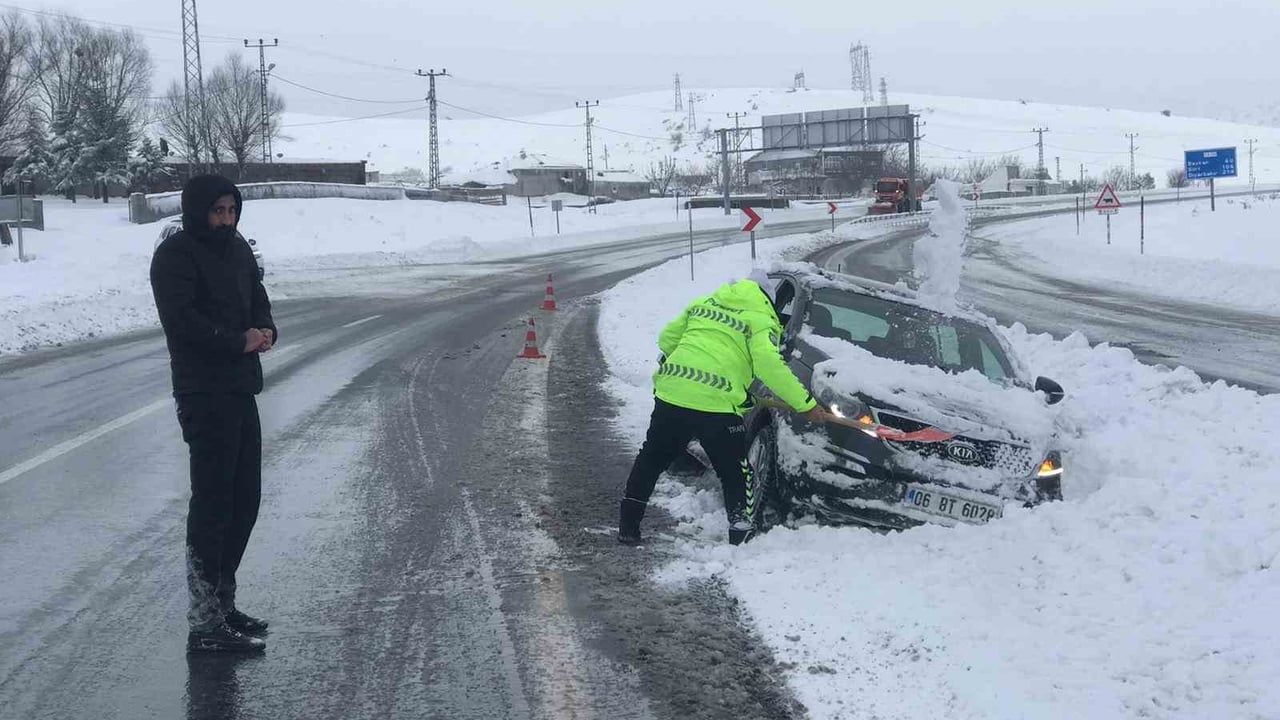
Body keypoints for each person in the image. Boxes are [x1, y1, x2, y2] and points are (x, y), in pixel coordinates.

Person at [151, 175, 276, 653]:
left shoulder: (238, 249)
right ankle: (204, 622)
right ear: (197, 210)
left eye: (231, 210)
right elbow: (181, 323)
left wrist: (265, 329)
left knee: (245, 499)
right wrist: (235, 341)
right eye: (217, 211)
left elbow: (257, 298)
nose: (226, 219)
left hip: (241, 388)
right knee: (213, 503)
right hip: (203, 393)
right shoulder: (176, 255)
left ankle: (223, 603)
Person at [618, 269, 830, 546]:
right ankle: (740, 538)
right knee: (735, 471)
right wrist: (805, 404)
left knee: (651, 459)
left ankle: (628, 527)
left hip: (672, 395)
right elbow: (769, 364)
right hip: (716, 407)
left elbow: (668, 339)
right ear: (768, 297)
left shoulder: (705, 303)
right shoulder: (761, 317)